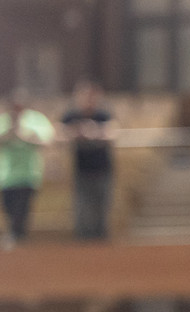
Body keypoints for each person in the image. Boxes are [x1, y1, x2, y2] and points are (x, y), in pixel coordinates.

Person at [61, 82, 116, 240]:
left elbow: (112, 132)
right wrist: (77, 133)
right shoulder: (72, 116)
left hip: (103, 168)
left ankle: (101, 238)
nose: (88, 100)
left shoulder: (103, 115)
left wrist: (95, 132)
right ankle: (83, 239)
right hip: (81, 169)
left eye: (92, 96)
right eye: (85, 96)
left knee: (102, 206)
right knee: (82, 208)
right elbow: (59, 133)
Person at [0, 92, 54, 247]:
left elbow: (46, 141)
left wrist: (24, 136)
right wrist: (10, 133)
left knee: (21, 211)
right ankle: (16, 237)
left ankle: (18, 238)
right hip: (6, 176)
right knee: (9, 210)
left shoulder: (35, 120)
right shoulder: (3, 121)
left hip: (28, 175)